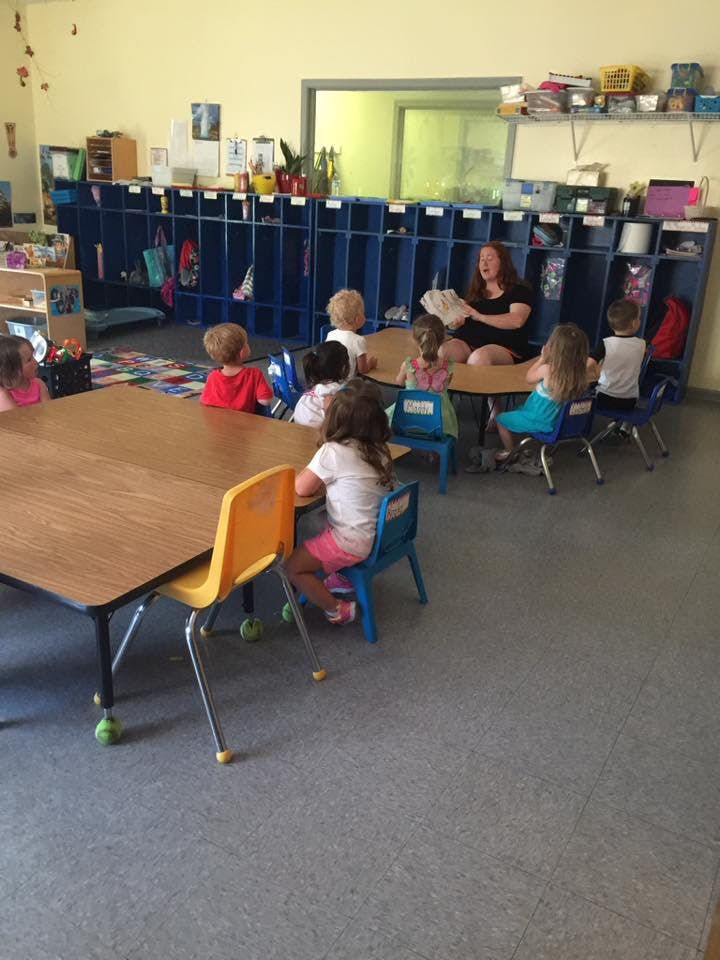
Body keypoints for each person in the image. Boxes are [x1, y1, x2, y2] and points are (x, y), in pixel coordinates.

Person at [285, 379, 394, 626]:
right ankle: (342, 577)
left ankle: (337, 609)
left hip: (350, 541)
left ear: (334, 418)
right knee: (321, 520)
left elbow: (301, 488)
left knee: (292, 567)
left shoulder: (333, 452)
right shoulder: (380, 449)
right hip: (374, 533)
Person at [495, 323, 590, 461]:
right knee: (517, 409)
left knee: (501, 419)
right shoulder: (579, 375)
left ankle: (510, 451)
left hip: (539, 419)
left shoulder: (548, 370)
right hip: (558, 422)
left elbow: (529, 378)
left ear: (555, 349)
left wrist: (542, 359)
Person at [440, 242, 534, 367]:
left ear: (503, 263)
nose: (484, 263)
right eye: (481, 259)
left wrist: (480, 316)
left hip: (504, 347)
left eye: (490, 259)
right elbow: (459, 323)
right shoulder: (474, 292)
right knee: (444, 352)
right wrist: (455, 323)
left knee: (479, 358)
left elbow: (517, 320)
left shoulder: (519, 291)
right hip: (468, 342)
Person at [393, 313, 458, 438]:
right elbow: (446, 386)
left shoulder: (408, 366)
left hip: (407, 422)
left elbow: (399, 383)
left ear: (415, 339)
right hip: (440, 425)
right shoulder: (448, 367)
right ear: (443, 339)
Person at [200, 323, 273, 413]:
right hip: (244, 421)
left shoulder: (213, 376)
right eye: (246, 343)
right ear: (242, 352)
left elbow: (205, 402)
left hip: (217, 420)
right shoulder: (254, 374)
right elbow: (266, 401)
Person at [589, 298, 645, 412]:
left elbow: (589, 364)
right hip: (629, 401)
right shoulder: (642, 344)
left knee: (587, 389)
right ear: (634, 323)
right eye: (639, 318)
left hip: (604, 398)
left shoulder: (606, 343)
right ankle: (618, 421)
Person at [293, 340, 350, 429]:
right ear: (344, 368)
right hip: (317, 432)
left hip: (297, 425)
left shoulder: (317, 385)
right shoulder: (338, 391)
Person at [325, 289, 377, 377]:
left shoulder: (330, 334)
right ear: (357, 319)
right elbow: (362, 370)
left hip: (328, 380)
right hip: (345, 384)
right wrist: (371, 364)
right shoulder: (358, 340)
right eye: (363, 313)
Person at [0, 335, 50, 412]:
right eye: (29, 360)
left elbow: (49, 409)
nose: (36, 362)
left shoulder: (39, 384)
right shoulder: (4, 392)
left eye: (33, 356)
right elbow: (16, 417)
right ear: (13, 369)